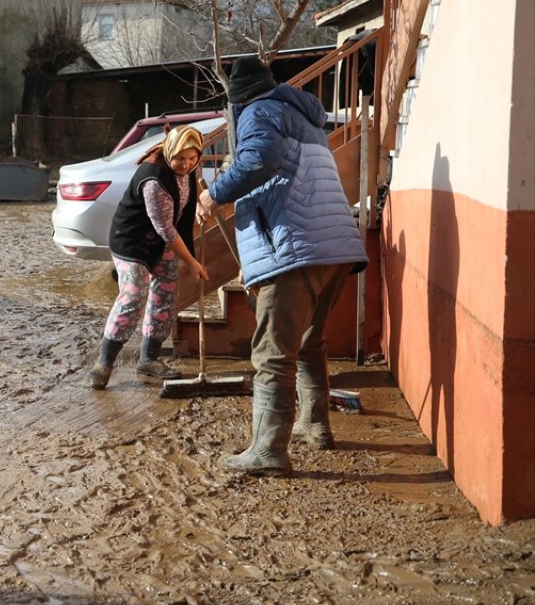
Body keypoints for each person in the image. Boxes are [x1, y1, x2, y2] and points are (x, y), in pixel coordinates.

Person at [198, 56, 368, 476]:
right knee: (310, 341)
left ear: (236, 100)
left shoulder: (259, 111)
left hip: (298, 248)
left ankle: (269, 451)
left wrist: (214, 194)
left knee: (273, 353)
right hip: (335, 247)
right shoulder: (304, 118)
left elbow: (260, 160)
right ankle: (315, 425)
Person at [88, 125, 211, 390]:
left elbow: (193, 188)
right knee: (134, 294)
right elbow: (166, 229)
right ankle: (104, 362)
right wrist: (192, 262)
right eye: (180, 158)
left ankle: (149, 359)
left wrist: (200, 205)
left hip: (161, 240)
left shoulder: (191, 167)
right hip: (132, 240)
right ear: (169, 153)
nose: (186, 164)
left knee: (166, 293)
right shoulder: (153, 179)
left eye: (192, 158)